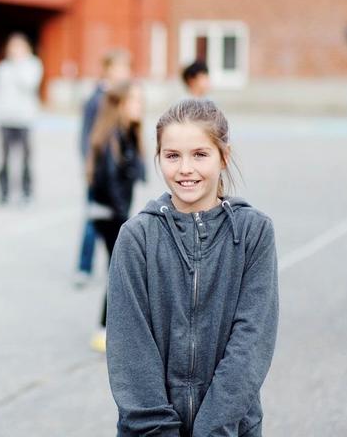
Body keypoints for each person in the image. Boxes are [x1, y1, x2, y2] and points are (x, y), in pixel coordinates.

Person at [106, 99, 278, 436]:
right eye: (172, 156)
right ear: (158, 159)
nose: (185, 168)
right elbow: (130, 352)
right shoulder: (136, 237)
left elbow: (251, 343)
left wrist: (213, 429)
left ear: (223, 157)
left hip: (230, 429)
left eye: (200, 154)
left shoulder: (254, 232)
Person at [86, 82, 145, 353]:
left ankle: (114, 328)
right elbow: (110, 183)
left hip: (116, 213)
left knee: (121, 270)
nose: (139, 106)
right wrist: (126, 223)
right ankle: (103, 329)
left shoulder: (128, 133)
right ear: (120, 104)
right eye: (134, 101)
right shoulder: (111, 137)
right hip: (108, 214)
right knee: (119, 270)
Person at [76, 49, 131, 288]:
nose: (124, 73)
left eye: (126, 68)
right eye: (119, 68)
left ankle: (115, 266)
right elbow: (87, 136)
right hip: (99, 173)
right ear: (108, 70)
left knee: (114, 219)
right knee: (94, 219)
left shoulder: (123, 96)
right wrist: (89, 166)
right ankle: (83, 267)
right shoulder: (96, 98)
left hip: (114, 173)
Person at [0, 33, 43, 205]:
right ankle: (4, 192)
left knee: (26, 158)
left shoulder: (33, 65)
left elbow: (28, 84)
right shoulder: (2, 68)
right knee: (4, 158)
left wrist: (19, 64)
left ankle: (26, 192)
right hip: (5, 118)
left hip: (24, 119)